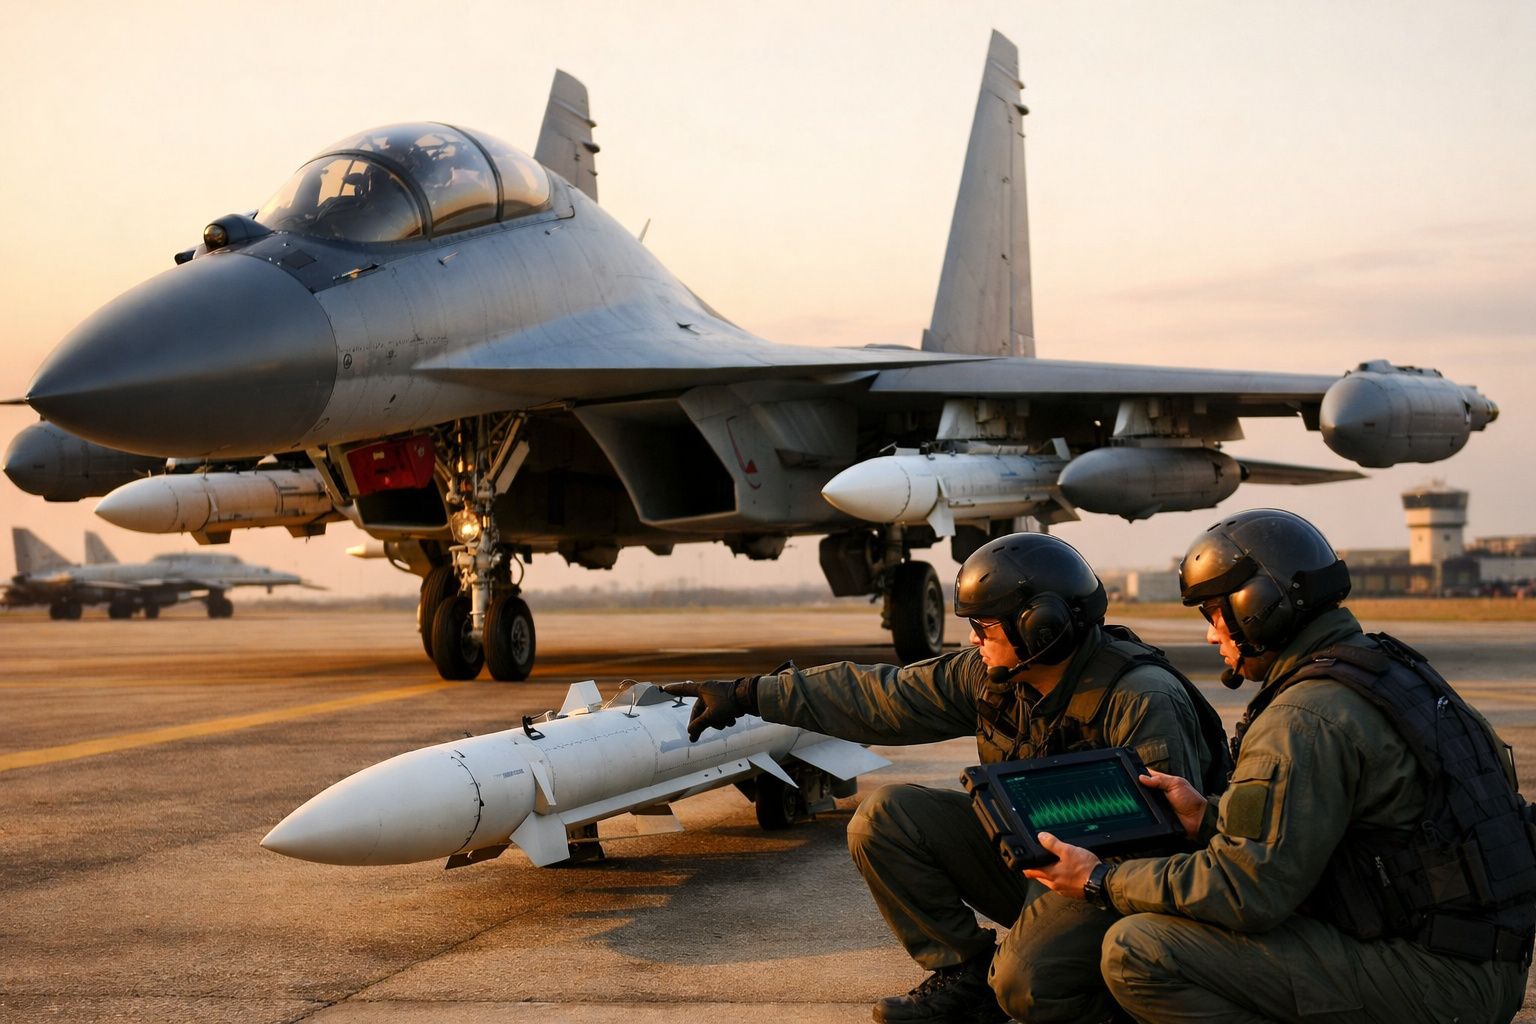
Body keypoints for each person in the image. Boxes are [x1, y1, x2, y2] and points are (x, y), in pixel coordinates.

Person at [667, 533, 1227, 1024]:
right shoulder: (993, 675)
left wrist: (1077, 905)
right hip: (1042, 858)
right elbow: (879, 695)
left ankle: (1107, 1002)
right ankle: (965, 977)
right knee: (886, 818)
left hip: (1114, 885)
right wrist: (748, 694)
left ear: (1041, 628)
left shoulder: (1141, 697)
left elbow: (1166, 848)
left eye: (984, 626)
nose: (974, 639)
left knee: (1025, 987)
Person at [1025, 508, 1536, 1024]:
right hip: (1486, 962)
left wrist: (1102, 879)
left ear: (1258, 609)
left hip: (1436, 981)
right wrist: (1207, 816)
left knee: (1139, 950)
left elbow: (1246, 892)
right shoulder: (1394, 672)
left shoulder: (1304, 715)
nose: (1210, 636)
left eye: (1214, 615)